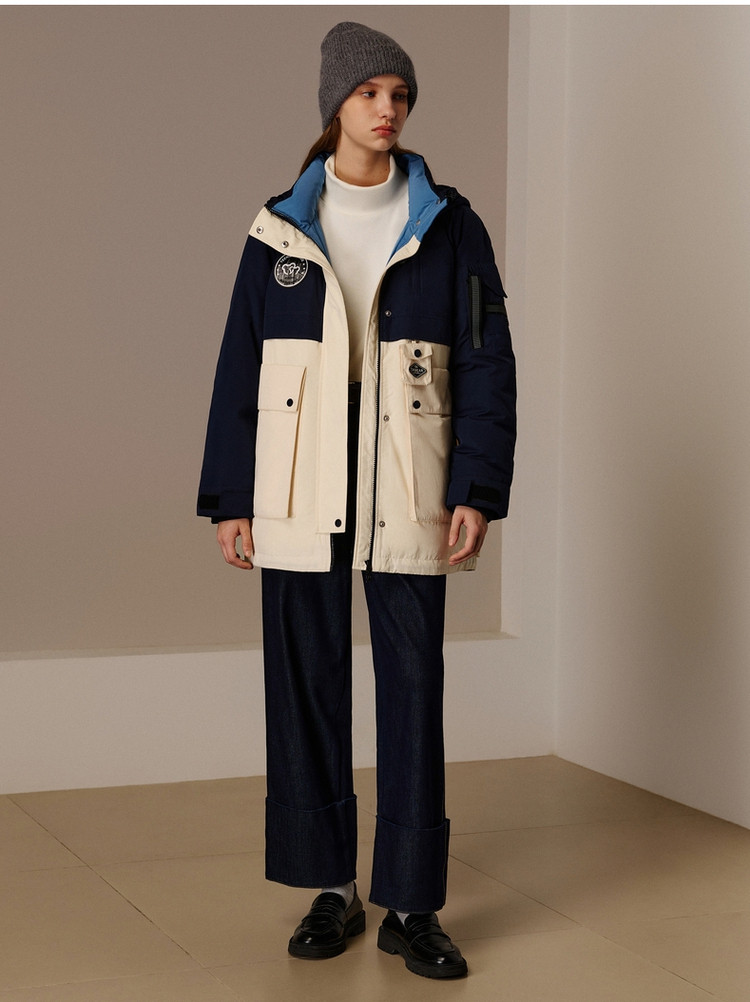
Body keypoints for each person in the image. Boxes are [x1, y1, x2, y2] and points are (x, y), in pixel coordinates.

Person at [197, 21, 516, 981]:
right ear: (336, 102)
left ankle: (412, 905)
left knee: (414, 688)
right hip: (299, 483)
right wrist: (232, 497)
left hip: (407, 481)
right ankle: (330, 888)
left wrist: (476, 488)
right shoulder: (277, 229)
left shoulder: (450, 224)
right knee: (304, 680)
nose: (389, 110)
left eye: (400, 95)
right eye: (372, 92)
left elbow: (487, 365)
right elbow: (238, 368)